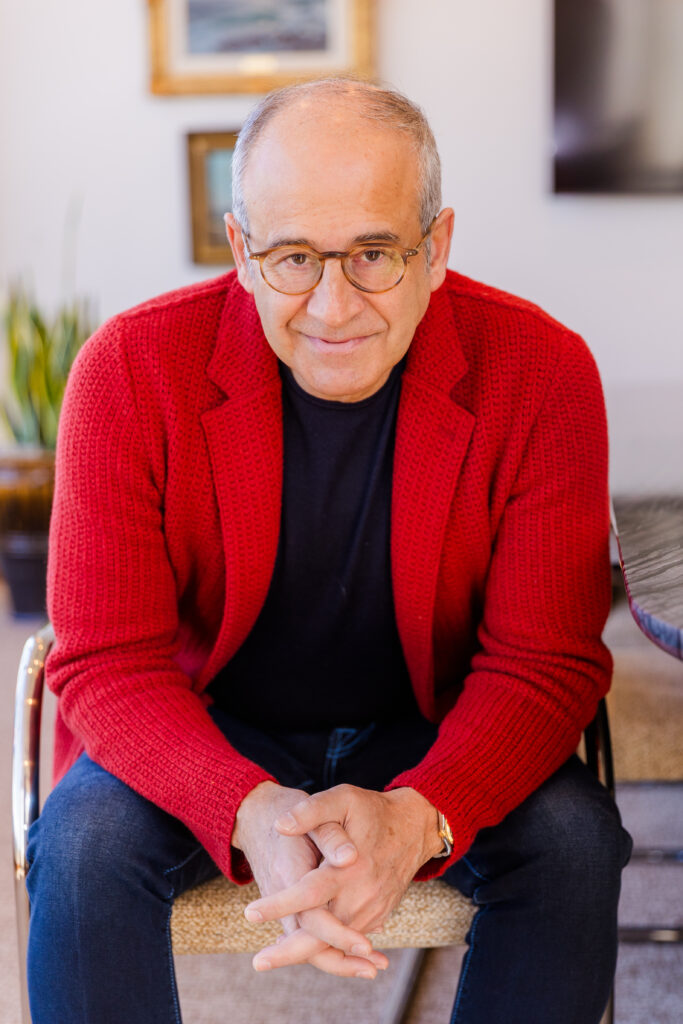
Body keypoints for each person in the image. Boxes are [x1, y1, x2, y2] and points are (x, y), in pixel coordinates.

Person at [26, 77, 631, 1024]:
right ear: (240, 249)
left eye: (375, 254)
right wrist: (241, 805)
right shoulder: (128, 372)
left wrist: (422, 811)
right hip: (208, 719)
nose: (334, 305)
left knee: (573, 843)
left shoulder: (542, 371)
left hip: (437, 718)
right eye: (295, 256)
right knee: (83, 845)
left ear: (435, 247)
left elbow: (544, 660)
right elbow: (108, 660)